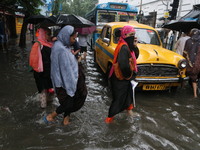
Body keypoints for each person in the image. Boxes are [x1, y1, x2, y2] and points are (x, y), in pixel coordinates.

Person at [44, 25, 87, 125]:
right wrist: (71, 84)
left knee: (71, 99)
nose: (74, 40)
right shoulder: (61, 50)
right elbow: (66, 71)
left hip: (62, 80)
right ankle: (50, 116)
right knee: (68, 103)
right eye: (73, 38)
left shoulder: (61, 45)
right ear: (66, 36)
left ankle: (66, 119)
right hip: (64, 82)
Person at [105, 25, 139, 123]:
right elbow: (124, 66)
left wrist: (135, 46)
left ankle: (129, 112)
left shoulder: (127, 45)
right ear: (125, 35)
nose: (133, 37)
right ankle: (109, 119)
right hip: (119, 78)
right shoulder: (123, 47)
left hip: (124, 78)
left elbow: (135, 56)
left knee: (128, 95)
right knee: (118, 99)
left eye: (134, 34)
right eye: (131, 35)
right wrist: (130, 76)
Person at [29, 27, 54, 108]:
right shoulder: (38, 44)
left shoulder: (50, 44)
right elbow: (33, 59)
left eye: (50, 34)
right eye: (48, 34)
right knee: (43, 91)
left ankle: (49, 107)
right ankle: (43, 111)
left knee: (50, 90)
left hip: (49, 72)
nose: (50, 36)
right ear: (43, 34)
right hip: (40, 73)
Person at [183, 28, 200, 98]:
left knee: (186, 76)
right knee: (195, 79)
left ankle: (194, 93)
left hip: (191, 63)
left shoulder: (188, 41)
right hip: (198, 63)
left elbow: (185, 52)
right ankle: (195, 94)